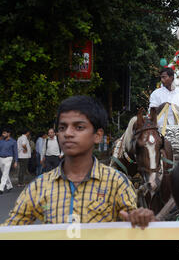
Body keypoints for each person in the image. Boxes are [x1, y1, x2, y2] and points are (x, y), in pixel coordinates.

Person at [3, 95, 155, 228]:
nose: (68, 133)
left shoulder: (117, 183)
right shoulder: (39, 186)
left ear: (97, 135)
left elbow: (134, 222)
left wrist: (139, 219)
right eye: (62, 128)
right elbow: (10, 230)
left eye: (79, 127)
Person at [0, 128, 18, 194]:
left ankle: (1, 188)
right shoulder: (1, 141)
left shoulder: (13, 141)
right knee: (4, 173)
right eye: (3, 133)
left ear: (8, 133)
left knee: (5, 173)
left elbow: (15, 152)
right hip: (1, 158)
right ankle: (9, 186)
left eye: (4, 133)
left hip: (9, 158)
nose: (3, 134)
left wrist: (16, 161)